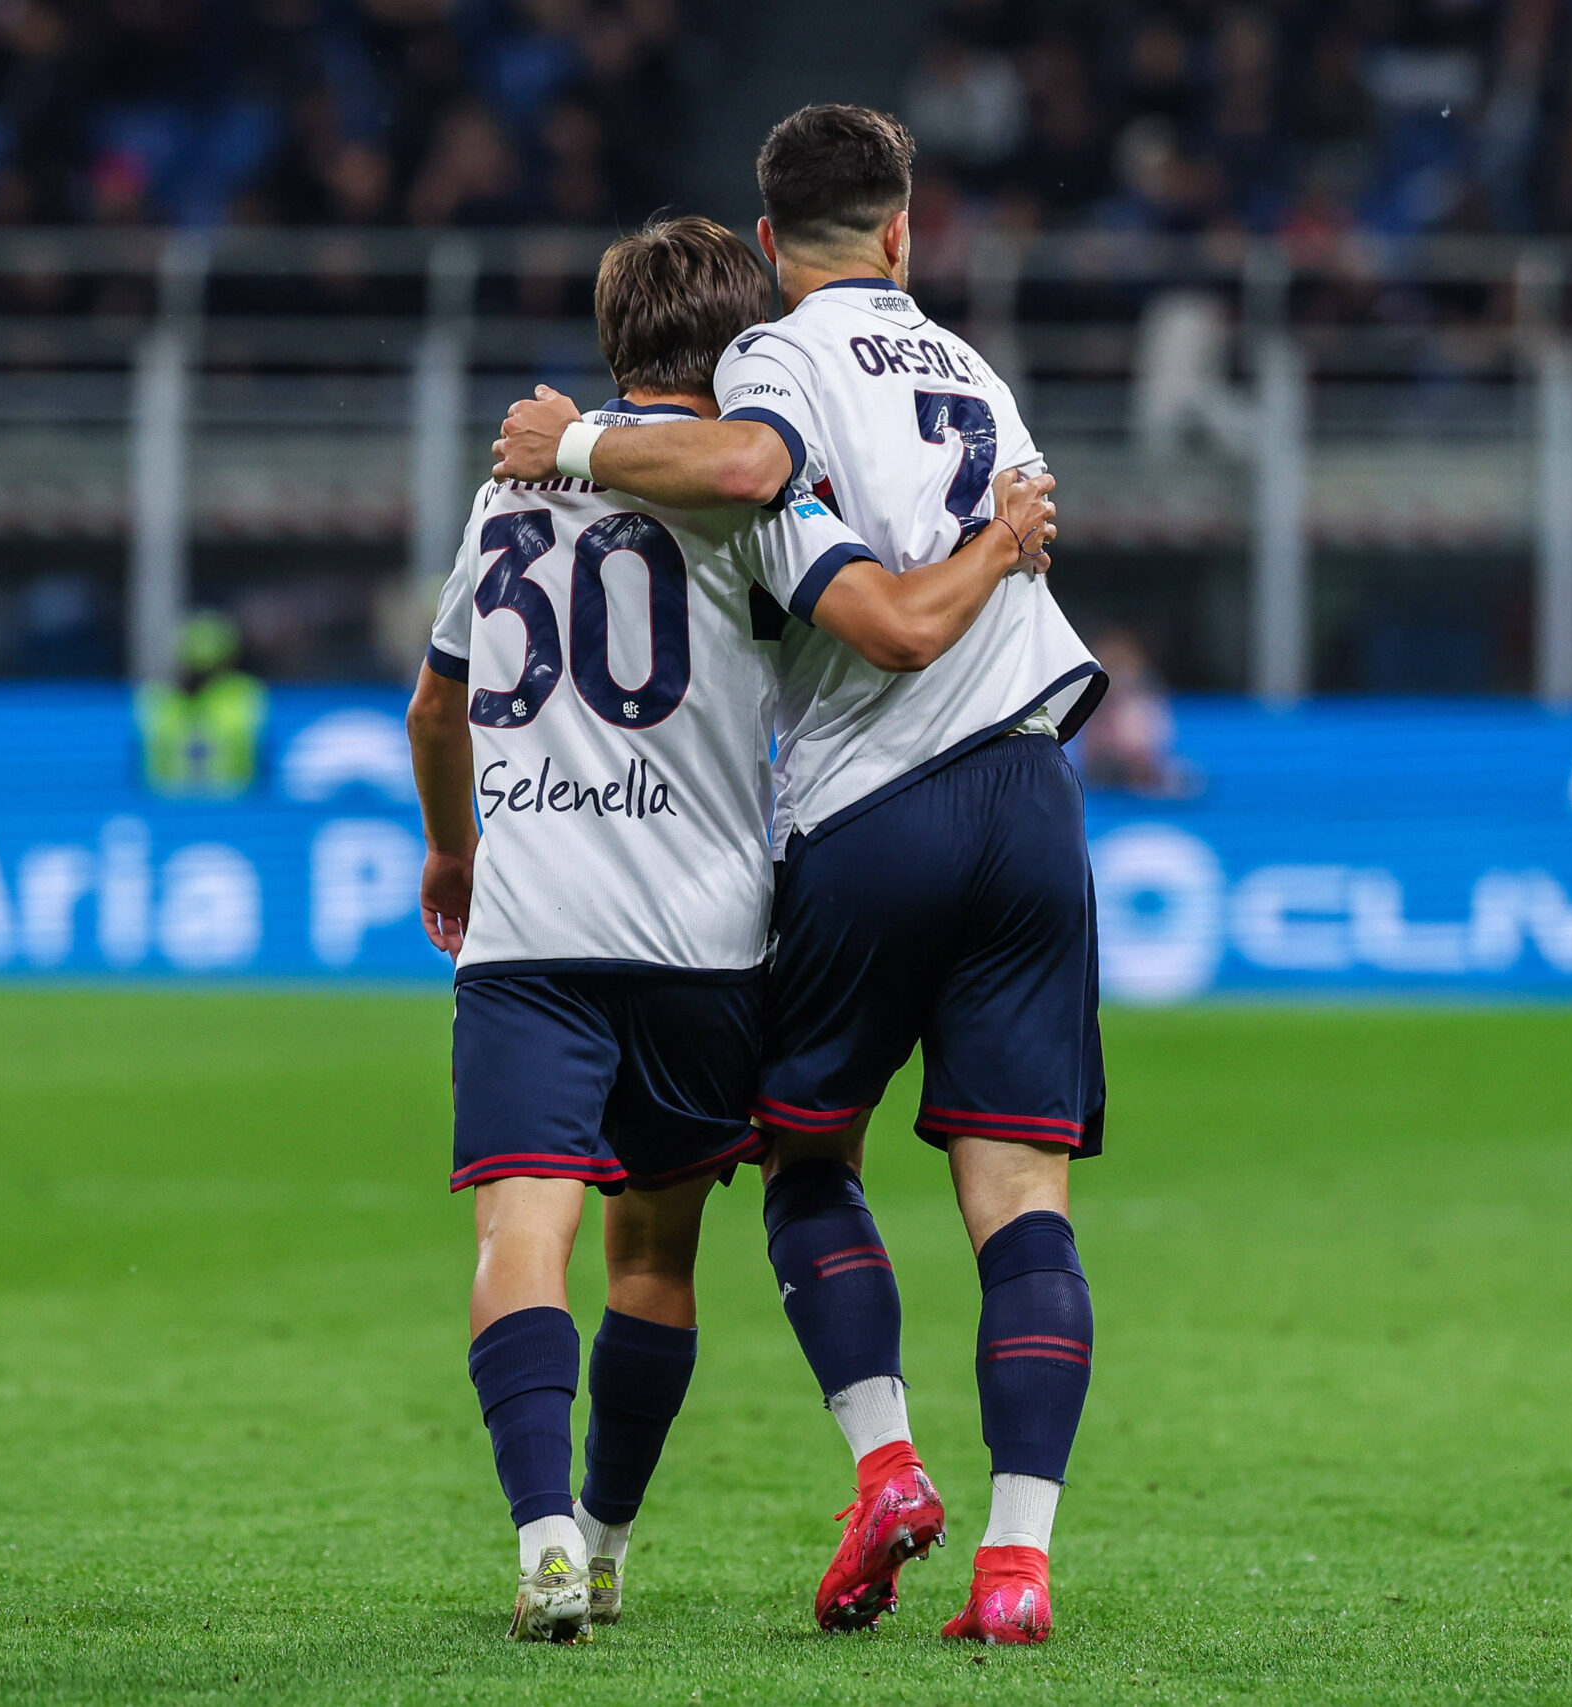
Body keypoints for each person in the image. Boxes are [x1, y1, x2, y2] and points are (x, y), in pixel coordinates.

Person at [494, 104, 1104, 1646]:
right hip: (1036, 794)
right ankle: (1019, 1560)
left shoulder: (773, 356)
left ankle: (888, 1463)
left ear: (773, 249)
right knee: (1023, 1200)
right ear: (907, 230)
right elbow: (1013, 538)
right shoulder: (980, 371)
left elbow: (790, 506)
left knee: (802, 1155)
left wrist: (566, 440)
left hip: (874, 808)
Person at [139, 613, 266, 797]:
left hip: (234, 801)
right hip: (170, 804)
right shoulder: (159, 699)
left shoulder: (243, 694)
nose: (200, 680)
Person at [1077, 629, 1202, 798]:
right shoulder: (1089, 699)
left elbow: (1157, 741)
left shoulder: (1148, 698)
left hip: (1148, 768)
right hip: (1101, 771)